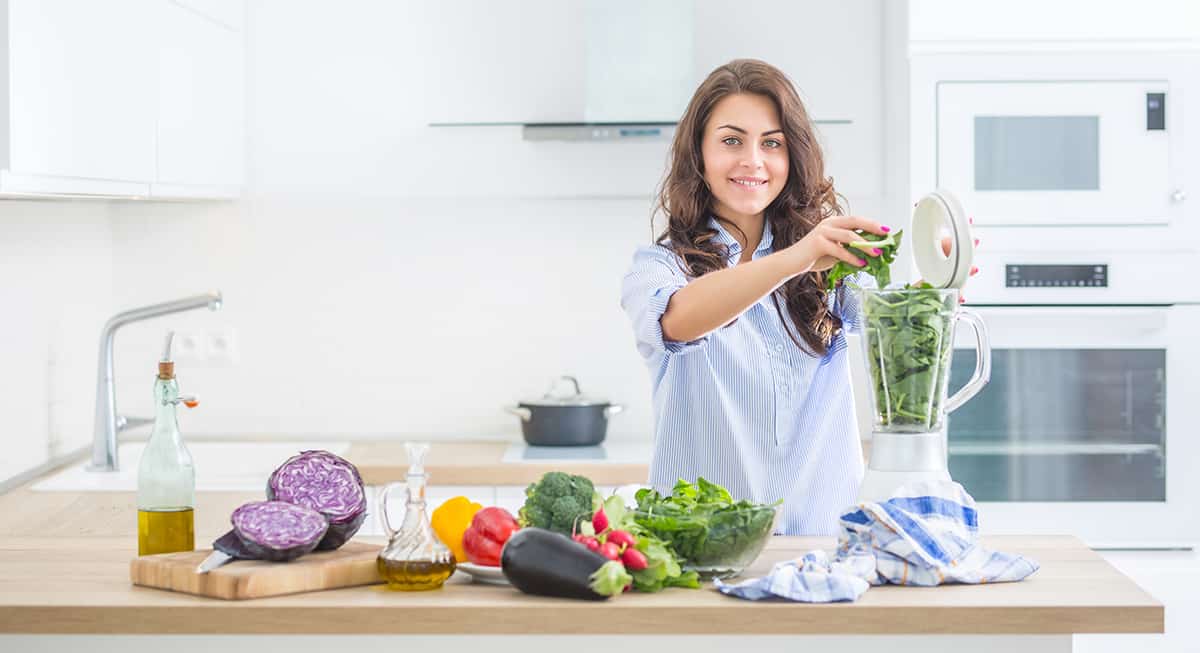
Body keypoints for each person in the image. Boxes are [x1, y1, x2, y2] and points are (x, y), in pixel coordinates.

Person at [619, 59, 973, 535]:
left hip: (823, 546)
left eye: (772, 143)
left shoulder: (833, 266)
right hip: (700, 549)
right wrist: (798, 257)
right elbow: (678, 319)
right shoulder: (659, 266)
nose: (752, 160)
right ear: (698, 155)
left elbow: (895, 332)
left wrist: (939, 282)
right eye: (731, 141)